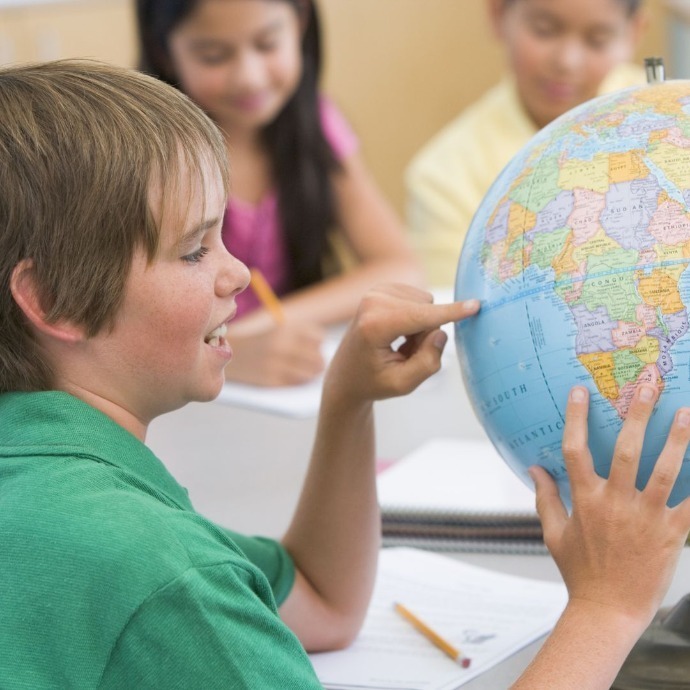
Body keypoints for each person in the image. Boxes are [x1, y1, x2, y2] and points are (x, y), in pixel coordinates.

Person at [1, 60, 690, 689]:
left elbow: (322, 602)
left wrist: (348, 401)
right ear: (56, 299)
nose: (236, 273)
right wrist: (606, 610)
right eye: (192, 251)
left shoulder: (53, 485)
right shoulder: (164, 574)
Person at [137, 0, 423, 387]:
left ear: (301, 24)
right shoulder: (143, 155)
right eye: (213, 55)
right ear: (163, 51)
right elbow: (117, 328)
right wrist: (227, 351)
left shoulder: (315, 126)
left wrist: (263, 325)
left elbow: (401, 267)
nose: (250, 77)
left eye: (268, 44)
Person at [406, 0, 647, 286]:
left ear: (634, 32)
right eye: (544, 31)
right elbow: (454, 307)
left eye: (597, 41)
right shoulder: (444, 175)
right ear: (497, 14)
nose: (567, 61)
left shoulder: (673, 115)